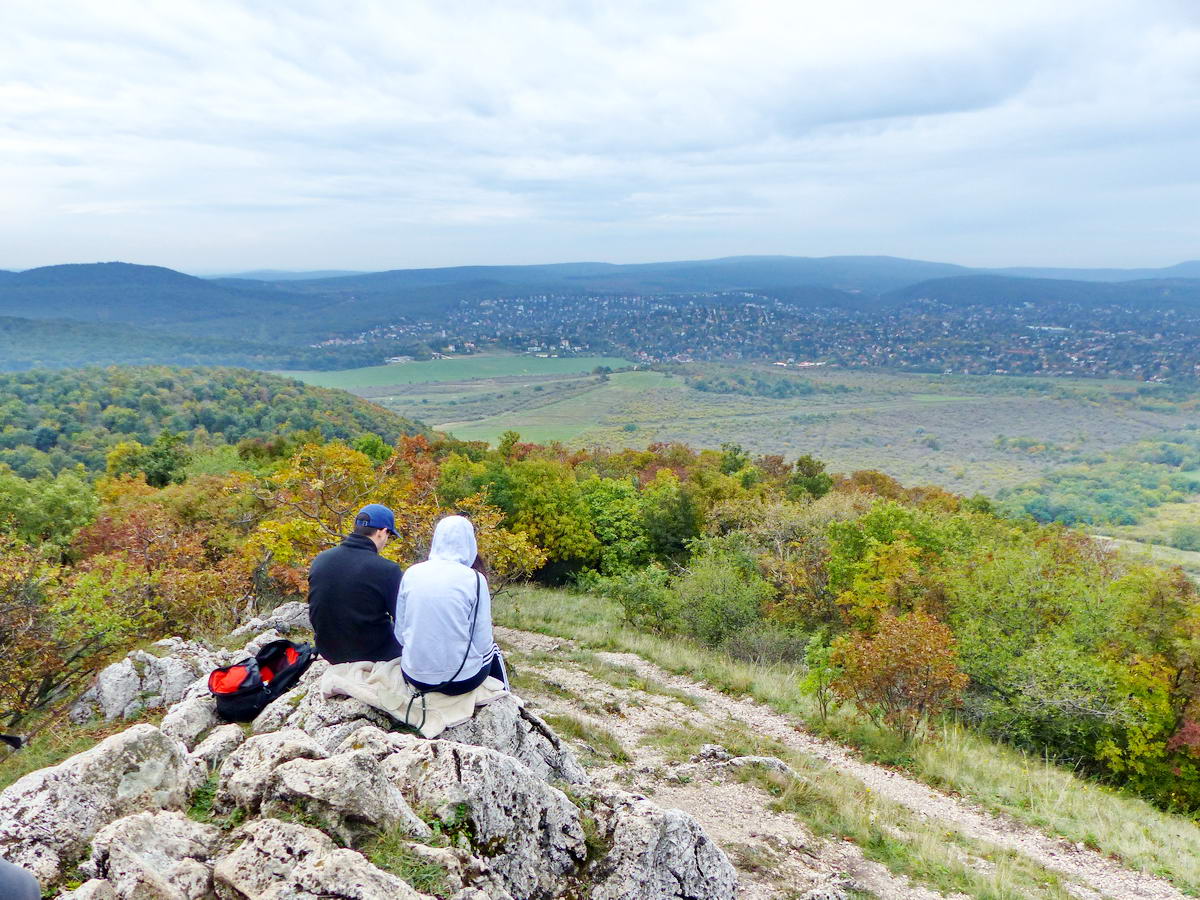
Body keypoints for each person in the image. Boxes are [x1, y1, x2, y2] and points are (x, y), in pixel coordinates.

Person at [395, 515, 507, 695]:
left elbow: (400, 635)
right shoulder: (475, 580)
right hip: (462, 681)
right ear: (470, 543)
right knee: (494, 651)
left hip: (414, 676)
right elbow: (483, 642)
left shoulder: (411, 573)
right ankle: (505, 698)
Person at [307, 503, 404, 664]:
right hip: (373, 654)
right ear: (382, 532)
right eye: (389, 535)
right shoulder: (387, 569)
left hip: (329, 651)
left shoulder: (321, 560)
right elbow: (403, 619)